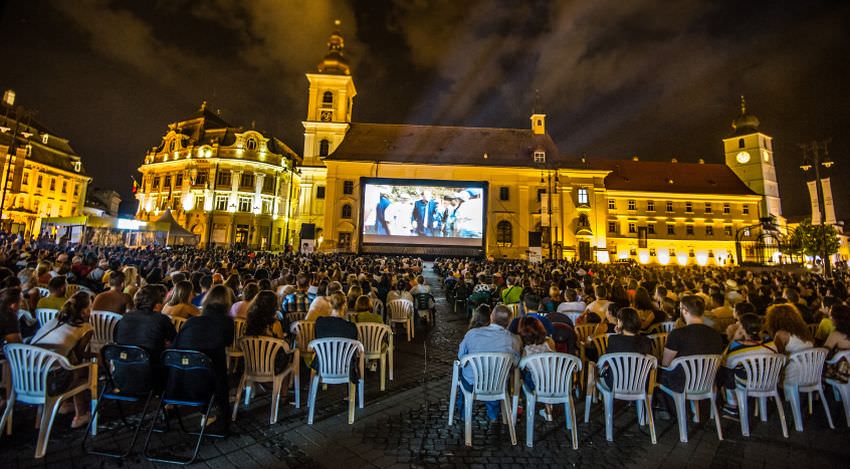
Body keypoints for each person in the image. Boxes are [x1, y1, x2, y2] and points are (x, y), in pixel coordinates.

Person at [173, 285, 234, 433]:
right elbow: (227, 342)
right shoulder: (226, 322)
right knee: (218, 367)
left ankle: (206, 412)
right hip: (208, 381)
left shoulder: (192, 322)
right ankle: (223, 417)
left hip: (178, 381)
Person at [29, 292, 94, 429]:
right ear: (84, 311)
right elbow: (79, 355)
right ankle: (80, 414)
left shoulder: (54, 320)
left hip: (27, 377)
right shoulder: (85, 327)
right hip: (50, 382)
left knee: (64, 362)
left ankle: (63, 405)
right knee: (80, 369)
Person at [456, 305, 521, 421]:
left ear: (491, 317)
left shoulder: (472, 334)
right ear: (509, 321)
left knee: (464, 376)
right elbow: (515, 363)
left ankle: (463, 414)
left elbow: (461, 357)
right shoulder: (514, 340)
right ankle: (493, 414)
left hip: (472, 383)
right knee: (496, 378)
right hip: (498, 384)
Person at [660, 295, 724, 410]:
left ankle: (669, 410)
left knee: (659, 374)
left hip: (682, 384)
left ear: (684, 310)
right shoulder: (715, 334)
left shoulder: (677, 334)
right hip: (708, 381)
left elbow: (665, 363)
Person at [718, 313, 777, 417]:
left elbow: (725, 362)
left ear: (742, 328)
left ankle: (732, 405)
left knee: (725, 371)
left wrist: (734, 338)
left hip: (748, 382)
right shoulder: (770, 341)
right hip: (769, 379)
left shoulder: (736, 346)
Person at [601, 308, 653, 388]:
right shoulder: (647, 341)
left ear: (621, 322)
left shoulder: (613, 339)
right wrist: (620, 334)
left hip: (616, 383)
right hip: (639, 384)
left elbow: (608, 359)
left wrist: (619, 335)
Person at [245, 290, 293, 375]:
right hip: (271, 365)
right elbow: (282, 343)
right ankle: (282, 387)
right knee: (291, 354)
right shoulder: (274, 324)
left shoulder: (249, 321)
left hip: (251, 363)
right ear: (273, 305)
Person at [765, 303, 814, 385]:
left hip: (794, 374)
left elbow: (778, 357)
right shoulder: (804, 331)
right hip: (813, 371)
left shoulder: (781, 334)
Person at [824, 305, 850, 383]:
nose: (830, 318)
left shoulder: (836, 335)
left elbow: (823, 354)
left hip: (840, 372)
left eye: (831, 316)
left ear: (837, 319)